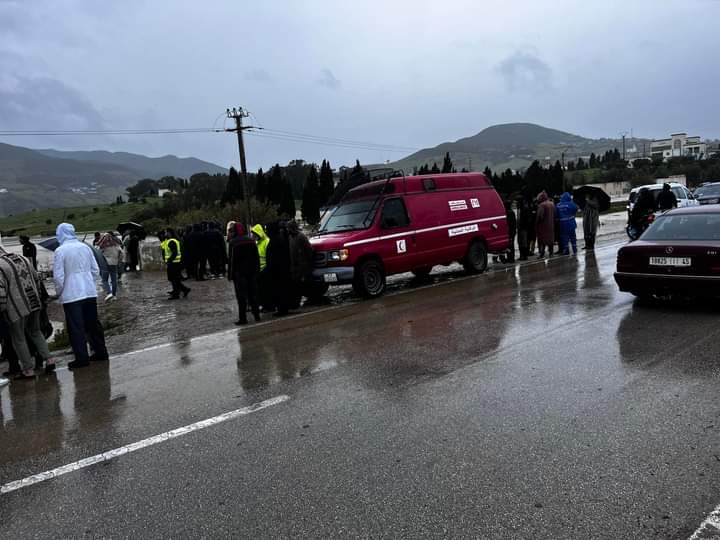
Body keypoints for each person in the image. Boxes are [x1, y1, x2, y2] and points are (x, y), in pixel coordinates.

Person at [53, 223, 108, 370]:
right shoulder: (85, 247)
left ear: (61, 234)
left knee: (76, 327)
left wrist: (59, 293)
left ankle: (82, 358)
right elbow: (95, 270)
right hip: (89, 292)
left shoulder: (60, 251)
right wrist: (88, 281)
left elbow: (59, 277)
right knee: (93, 324)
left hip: (71, 295)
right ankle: (101, 352)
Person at [0, 245, 54, 379]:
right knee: (36, 331)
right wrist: (39, 298)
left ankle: (28, 369)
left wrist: (2, 309)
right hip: (34, 302)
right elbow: (37, 279)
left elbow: (0, 291)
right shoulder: (22, 258)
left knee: (18, 338)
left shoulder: (0, 265)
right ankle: (49, 359)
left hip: (16, 306)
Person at [227, 223, 261, 325]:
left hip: (240, 274)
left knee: (241, 297)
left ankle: (243, 318)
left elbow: (232, 261)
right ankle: (257, 315)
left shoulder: (233, 243)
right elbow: (256, 257)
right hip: (251, 272)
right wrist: (257, 270)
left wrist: (230, 275)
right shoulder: (251, 240)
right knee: (253, 295)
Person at [265, 221, 292, 316]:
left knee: (280, 290)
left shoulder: (276, 241)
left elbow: (276, 258)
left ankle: (282, 309)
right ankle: (282, 308)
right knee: (280, 290)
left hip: (278, 271)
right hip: (279, 270)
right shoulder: (277, 240)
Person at [287, 220, 314, 308]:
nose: (288, 230)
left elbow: (309, 250)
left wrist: (308, 262)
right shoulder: (290, 237)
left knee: (302, 284)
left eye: (289, 228)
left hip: (302, 265)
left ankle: (308, 299)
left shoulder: (301, 236)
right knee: (296, 285)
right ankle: (296, 302)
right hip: (294, 266)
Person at [161, 228, 190, 300]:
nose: (165, 234)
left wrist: (169, 260)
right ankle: (184, 289)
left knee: (174, 279)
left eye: (166, 232)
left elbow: (175, 253)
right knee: (173, 279)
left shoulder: (172, 241)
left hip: (174, 263)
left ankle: (176, 294)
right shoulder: (169, 241)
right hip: (173, 263)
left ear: (170, 233)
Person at [252, 223, 273, 311]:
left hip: (265, 269)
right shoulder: (257, 243)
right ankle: (264, 305)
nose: (254, 236)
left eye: (255, 234)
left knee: (266, 290)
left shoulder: (266, 241)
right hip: (259, 269)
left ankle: (268, 306)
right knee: (261, 290)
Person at [98, 232, 123, 300]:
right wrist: (119, 261)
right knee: (114, 280)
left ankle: (109, 293)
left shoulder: (102, 247)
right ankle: (114, 295)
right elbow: (122, 254)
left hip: (105, 266)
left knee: (104, 280)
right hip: (114, 264)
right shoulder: (117, 246)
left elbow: (99, 256)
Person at [535, 191, 556, 258]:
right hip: (551, 225)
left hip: (543, 226)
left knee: (542, 240)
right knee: (550, 239)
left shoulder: (542, 205)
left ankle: (542, 253)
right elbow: (555, 214)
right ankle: (551, 253)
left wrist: (536, 223)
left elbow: (540, 216)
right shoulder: (552, 204)